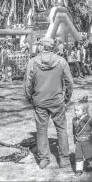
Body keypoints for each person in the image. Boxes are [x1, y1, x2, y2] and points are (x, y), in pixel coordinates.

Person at [23, 37, 74, 169]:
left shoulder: (32, 62)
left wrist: (30, 98)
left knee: (41, 130)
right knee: (61, 128)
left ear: (41, 47)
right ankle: (64, 158)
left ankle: (44, 159)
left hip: (39, 100)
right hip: (57, 100)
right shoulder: (62, 61)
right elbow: (70, 82)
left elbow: (27, 84)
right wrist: (66, 98)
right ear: (52, 47)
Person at [72, 96, 92, 176]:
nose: (75, 112)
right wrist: (74, 138)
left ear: (84, 111)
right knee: (78, 156)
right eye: (75, 110)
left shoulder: (89, 119)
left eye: (77, 110)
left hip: (87, 142)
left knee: (88, 156)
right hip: (78, 142)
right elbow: (74, 131)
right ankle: (79, 171)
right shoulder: (74, 120)